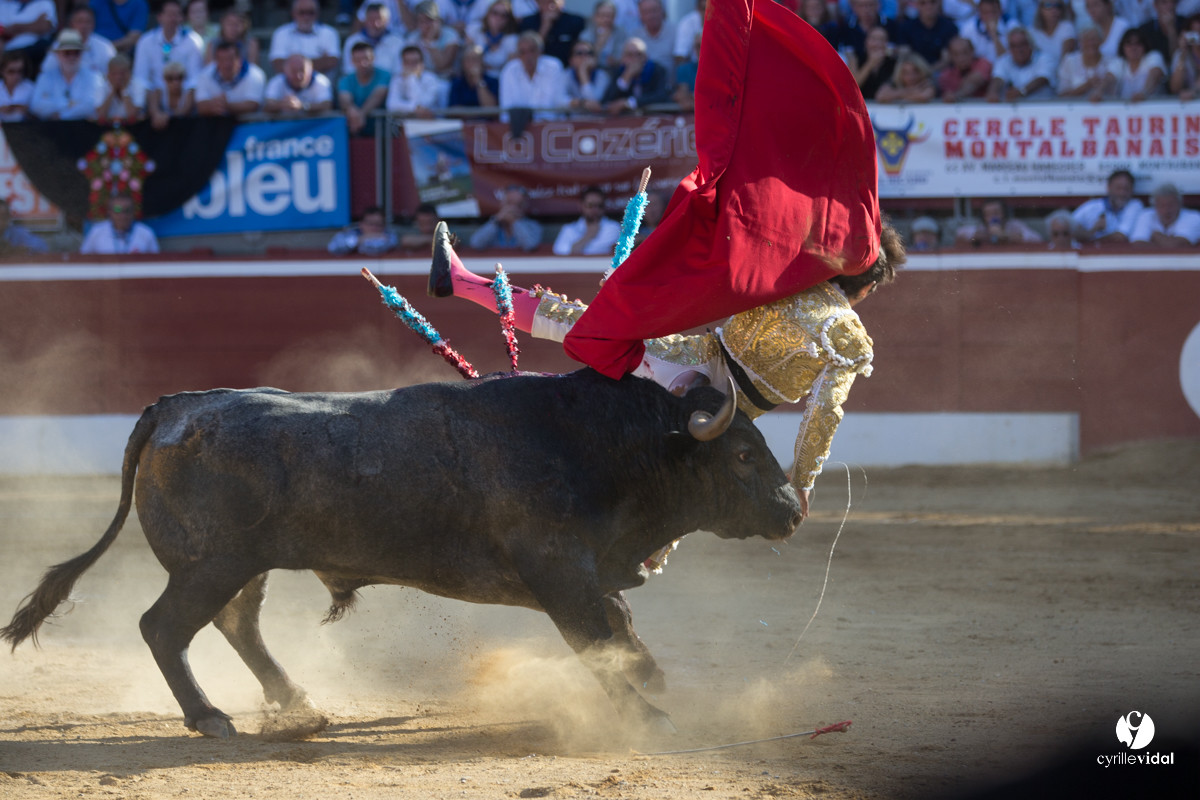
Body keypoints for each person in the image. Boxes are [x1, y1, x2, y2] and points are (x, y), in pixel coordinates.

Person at [134, 0, 204, 130]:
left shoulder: (193, 41)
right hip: (154, 105)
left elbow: (195, 80)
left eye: (177, 14)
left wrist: (180, 115)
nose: (174, 19)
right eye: (170, 14)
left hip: (185, 107)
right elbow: (141, 79)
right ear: (159, 17)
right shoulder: (145, 41)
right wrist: (155, 112)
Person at [30, 30, 105, 120]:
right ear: (58, 54)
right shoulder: (46, 77)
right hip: (51, 130)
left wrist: (62, 115)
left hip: (83, 129)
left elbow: (92, 105)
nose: (72, 57)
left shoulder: (94, 76)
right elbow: (36, 105)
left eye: (76, 53)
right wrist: (70, 104)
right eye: (67, 53)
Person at [498, 30, 567, 119]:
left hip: (549, 127)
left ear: (540, 51)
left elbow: (558, 101)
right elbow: (506, 111)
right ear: (518, 54)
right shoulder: (509, 71)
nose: (528, 56)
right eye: (522, 52)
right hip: (519, 129)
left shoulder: (553, 67)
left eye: (532, 50)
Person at [40, 6, 117, 78]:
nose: (84, 26)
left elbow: (114, 76)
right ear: (71, 24)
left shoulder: (105, 47)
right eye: (79, 21)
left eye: (88, 22)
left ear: (93, 24)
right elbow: (46, 71)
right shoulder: (60, 45)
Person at [269, 0, 341, 77]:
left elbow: (331, 62)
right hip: (288, 86)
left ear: (318, 13)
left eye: (311, 12)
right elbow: (278, 65)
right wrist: (320, 61)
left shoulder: (329, 33)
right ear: (293, 13)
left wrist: (293, 63)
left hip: (321, 84)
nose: (306, 17)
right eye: (302, 12)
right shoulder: (281, 33)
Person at [194, 40, 267, 116]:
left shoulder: (255, 75)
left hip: (248, 125)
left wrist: (226, 106)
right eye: (222, 59)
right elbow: (200, 106)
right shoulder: (205, 75)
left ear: (239, 60)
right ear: (216, 61)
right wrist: (214, 106)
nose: (226, 64)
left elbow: (253, 106)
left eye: (230, 59)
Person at [1070, 169, 1143, 245]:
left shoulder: (1135, 205)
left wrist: (1090, 243)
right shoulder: (1092, 206)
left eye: (1126, 189)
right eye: (1118, 188)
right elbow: (1068, 229)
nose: (1122, 193)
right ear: (1108, 187)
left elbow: (1119, 237)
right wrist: (1092, 231)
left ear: (1132, 190)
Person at [601, 36, 670, 112]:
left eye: (639, 54)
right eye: (630, 55)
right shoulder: (619, 72)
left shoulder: (657, 70)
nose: (634, 59)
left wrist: (629, 103)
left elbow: (661, 96)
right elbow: (607, 100)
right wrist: (626, 77)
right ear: (623, 58)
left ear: (645, 57)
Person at [986, 26, 1057, 100]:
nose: (1019, 50)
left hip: (1044, 108)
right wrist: (993, 92)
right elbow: (998, 79)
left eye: (1022, 44)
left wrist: (1022, 92)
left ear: (1030, 45)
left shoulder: (1045, 59)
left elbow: (1042, 79)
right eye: (1013, 46)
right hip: (1012, 110)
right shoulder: (1004, 61)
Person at [552, 185, 621, 255]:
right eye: (590, 205)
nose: (595, 210)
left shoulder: (613, 228)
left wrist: (576, 247)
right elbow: (558, 250)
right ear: (581, 206)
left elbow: (596, 251)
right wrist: (587, 236)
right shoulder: (569, 229)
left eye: (600, 205)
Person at [469, 185, 543, 250]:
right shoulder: (494, 223)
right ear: (502, 204)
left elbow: (530, 246)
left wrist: (514, 222)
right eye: (509, 203)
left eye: (518, 204)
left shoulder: (533, 226)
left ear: (525, 206)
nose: (512, 208)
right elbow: (476, 244)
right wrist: (496, 220)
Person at [80, 194, 159, 255]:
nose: (122, 215)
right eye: (117, 210)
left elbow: (156, 262)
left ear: (133, 212)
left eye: (127, 210)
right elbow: (83, 259)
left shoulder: (146, 233)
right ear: (109, 212)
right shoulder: (97, 232)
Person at [340, 42, 391, 134]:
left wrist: (361, 114)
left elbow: (378, 96)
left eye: (366, 59)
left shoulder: (385, 75)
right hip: (354, 128)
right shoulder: (345, 80)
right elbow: (345, 100)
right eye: (358, 60)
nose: (363, 63)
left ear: (373, 59)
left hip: (382, 131)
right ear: (352, 61)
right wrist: (352, 111)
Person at [1101, 26, 1166, 99]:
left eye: (1138, 43)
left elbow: (1155, 74)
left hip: (1155, 108)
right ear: (1123, 46)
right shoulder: (1118, 63)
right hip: (1126, 108)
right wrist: (1098, 92)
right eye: (1129, 44)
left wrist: (1143, 93)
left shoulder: (1153, 56)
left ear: (1144, 45)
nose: (1133, 47)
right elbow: (1108, 79)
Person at [342, 2, 404, 75]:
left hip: (390, 85)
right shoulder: (352, 41)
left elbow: (399, 72)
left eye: (379, 19)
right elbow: (348, 71)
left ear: (387, 21)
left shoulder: (398, 42)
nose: (375, 24)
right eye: (371, 19)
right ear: (364, 20)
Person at [520, 0, 587, 66]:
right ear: (538, 3)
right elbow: (528, 49)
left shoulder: (576, 22)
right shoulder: (528, 23)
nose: (550, 6)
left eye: (553, 2)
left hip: (568, 70)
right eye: (545, 3)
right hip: (539, 69)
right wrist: (545, 26)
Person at [1130, 183, 1200, 246]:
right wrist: (1165, 242)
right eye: (1162, 206)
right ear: (1154, 206)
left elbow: (1177, 245)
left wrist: (1156, 236)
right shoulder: (1145, 215)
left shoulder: (1193, 217)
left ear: (1179, 204)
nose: (1166, 210)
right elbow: (1137, 244)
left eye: (1171, 205)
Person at [898, 0, 960, 71]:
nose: (928, 7)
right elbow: (905, 55)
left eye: (933, 2)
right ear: (916, 5)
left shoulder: (950, 27)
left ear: (939, 3)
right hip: (914, 72)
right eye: (923, 3)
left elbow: (946, 59)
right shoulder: (906, 27)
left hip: (941, 72)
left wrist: (929, 71)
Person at [406, 1, 462, 78]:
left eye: (429, 20)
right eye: (421, 21)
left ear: (438, 20)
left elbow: (442, 65)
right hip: (422, 80)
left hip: (446, 81)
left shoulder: (450, 35)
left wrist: (430, 41)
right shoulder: (413, 38)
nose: (425, 25)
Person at [466, 0, 520, 81]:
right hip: (474, 77)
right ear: (487, 13)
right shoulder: (475, 30)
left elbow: (510, 69)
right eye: (495, 13)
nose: (498, 18)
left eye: (504, 15)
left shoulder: (511, 40)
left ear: (509, 19)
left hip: (499, 81)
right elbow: (467, 59)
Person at [386, 43, 445, 116]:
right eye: (407, 62)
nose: (410, 66)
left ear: (422, 63)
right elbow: (391, 105)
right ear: (402, 63)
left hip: (430, 124)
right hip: (406, 123)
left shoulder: (432, 79)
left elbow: (422, 104)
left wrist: (411, 78)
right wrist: (413, 108)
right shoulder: (397, 79)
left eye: (414, 62)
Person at [264, 54, 334, 115]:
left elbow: (326, 105)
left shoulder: (321, 81)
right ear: (285, 70)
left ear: (311, 69)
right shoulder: (276, 82)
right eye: (293, 71)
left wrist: (303, 106)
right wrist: (283, 105)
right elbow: (268, 105)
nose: (298, 75)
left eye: (302, 70)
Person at [955, 199, 1044, 245]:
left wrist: (1005, 235)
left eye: (996, 213)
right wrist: (985, 235)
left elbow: (1037, 238)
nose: (992, 217)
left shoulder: (1014, 225)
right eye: (988, 214)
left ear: (1004, 214)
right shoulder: (981, 227)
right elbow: (960, 234)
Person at [1057, 23, 1112, 97]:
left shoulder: (1110, 62)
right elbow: (1061, 95)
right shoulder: (1069, 61)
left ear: (1101, 41)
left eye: (1094, 39)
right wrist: (1087, 85)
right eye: (1086, 40)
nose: (1090, 43)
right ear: (1080, 43)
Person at [0, 0, 57, 69]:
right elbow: (4, 30)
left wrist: (16, 27)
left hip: (32, 49)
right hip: (8, 50)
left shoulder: (43, 3)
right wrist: (33, 24)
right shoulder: (8, 5)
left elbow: (44, 26)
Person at [848, 26, 898, 100]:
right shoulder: (855, 59)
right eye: (873, 39)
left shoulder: (893, 62)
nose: (877, 44)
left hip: (886, 108)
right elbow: (851, 88)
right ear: (866, 42)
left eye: (882, 40)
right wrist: (870, 64)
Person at [97, 54, 147, 125]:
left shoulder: (138, 86)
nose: (118, 77)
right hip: (107, 128)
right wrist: (112, 91)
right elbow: (101, 116)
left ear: (129, 73)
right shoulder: (101, 86)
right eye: (114, 73)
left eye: (122, 73)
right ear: (108, 74)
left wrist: (124, 91)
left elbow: (132, 116)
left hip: (134, 128)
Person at [938, 35, 992, 100]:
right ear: (950, 56)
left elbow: (974, 81)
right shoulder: (946, 75)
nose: (961, 58)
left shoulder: (983, 63)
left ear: (972, 51)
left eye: (965, 52)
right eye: (956, 54)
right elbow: (947, 95)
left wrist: (956, 95)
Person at [629, 0, 675, 76]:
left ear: (662, 11)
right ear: (640, 15)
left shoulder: (676, 32)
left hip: (670, 85)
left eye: (654, 10)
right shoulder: (634, 36)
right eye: (646, 12)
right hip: (645, 85)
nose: (651, 16)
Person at [562, 38, 610, 112]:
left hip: (596, 120)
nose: (584, 56)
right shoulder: (566, 74)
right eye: (579, 53)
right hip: (573, 120)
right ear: (571, 60)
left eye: (589, 53)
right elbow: (558, 100)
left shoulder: (602, 76)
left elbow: (593, 102)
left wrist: (583, 72)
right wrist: (580, 103)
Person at [328, 206, 398, 255]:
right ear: (361, 224)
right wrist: (359, 240)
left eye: (378, 224)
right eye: (370, 224)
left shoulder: (390, 235)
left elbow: (375, 249)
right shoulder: (351, 234)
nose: (374, 227)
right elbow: (333, 247)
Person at [579, 0, 627, 70]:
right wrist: (600, 44)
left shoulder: (621, 34)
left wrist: (616, 61)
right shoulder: (586, 35)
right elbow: (583, 59)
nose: (606, 19)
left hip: (614, 72)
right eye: (602, 15)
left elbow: (622, 58)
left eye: (609, 16)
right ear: (595, 17)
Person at [1030, 0, 1078, 68]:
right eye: (1048, 5)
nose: (1054, 10)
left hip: (1063, 72)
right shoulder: (1032, 32)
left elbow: (1066, 58)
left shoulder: (1067, 27)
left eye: (1058, 6)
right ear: (1040, 9)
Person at [153, 61, 194, 126]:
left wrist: (166, 116)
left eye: (179, 77)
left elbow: (185, 111)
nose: (175, 82)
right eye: (170, 78)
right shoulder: (159, 91)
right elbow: (153, 110)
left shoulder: (189, 92)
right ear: (164, 79)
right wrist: (158, 115)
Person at [1168, 15, 1200, 98]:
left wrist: (1193, 91)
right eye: (1194, 32)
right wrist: (1183, 54)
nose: (1198, 36)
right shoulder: (1180, 54)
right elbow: (1175, 88)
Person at [0, 53, 34, 122]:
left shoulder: (30, 88)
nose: (16, 76)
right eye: (11, 71)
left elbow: (41, 116)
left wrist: (27, 111)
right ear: (2, 71)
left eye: (20, 71)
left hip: (24, 129)